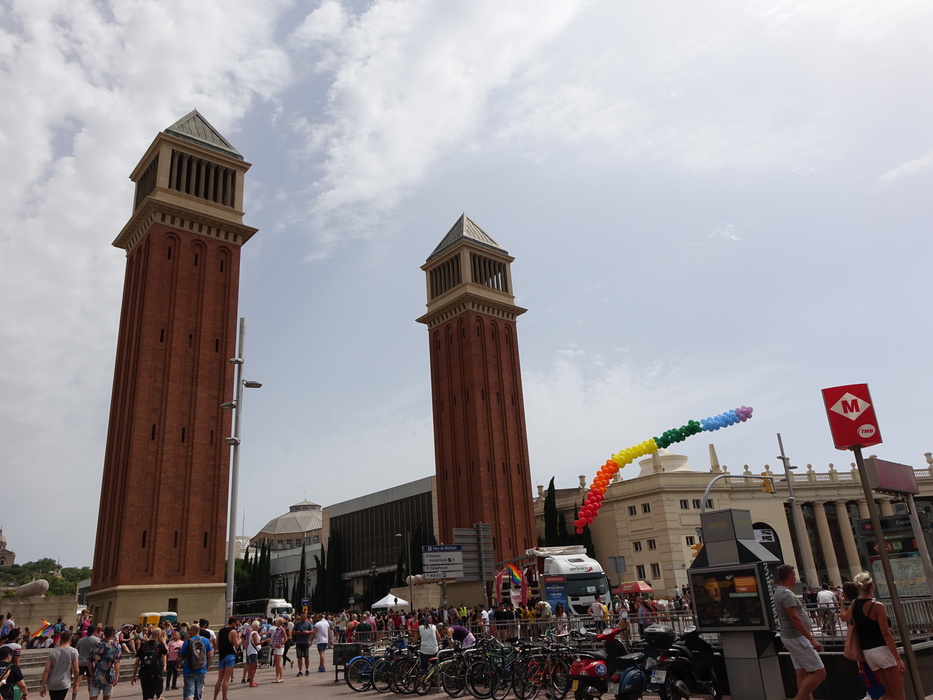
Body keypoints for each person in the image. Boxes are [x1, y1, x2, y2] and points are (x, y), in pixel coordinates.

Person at [851, 572, 905, 700]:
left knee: (889, 693)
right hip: (882, 650)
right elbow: (886, 633)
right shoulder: (877, 606)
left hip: (868, 653)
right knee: (899, 695)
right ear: (872, 585)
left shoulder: (854, 604)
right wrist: (898, 659)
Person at [774, 564, 825, 700]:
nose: (795, 579)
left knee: (801, 672)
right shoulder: (786, 594)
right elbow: (794, 617)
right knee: (820, 673)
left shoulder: (780, 592)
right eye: (794, 576)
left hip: (792, 637)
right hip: (796, 637)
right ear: (790, 577)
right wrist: (811, 639)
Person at [40, 629, 80, 700]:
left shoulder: (52, 652)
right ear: (70, 639)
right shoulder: (73, 651)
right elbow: (76, 669)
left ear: (61, 639)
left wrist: (42, 686)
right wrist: (76, 680)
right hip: (63, 682)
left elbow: (46, 670)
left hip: (52, 683)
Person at [179, 623, 212, 700]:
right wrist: (208, 665)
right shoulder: (206, 640)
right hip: (201, 669)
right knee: (198, 694)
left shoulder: (187, 642)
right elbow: (210, 655)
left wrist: (178, 664)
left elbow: (180, 657)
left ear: (191, 630)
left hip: (189, 670)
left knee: (189, 693)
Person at [132, 628, 167, 700]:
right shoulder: (159, 645)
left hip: (144, 673)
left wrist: (134, 676)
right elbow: (166, 653)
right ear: (159, 635)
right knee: (154, 694)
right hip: (155, 673)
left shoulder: (143, 645)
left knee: (146, 695)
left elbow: (137, 661)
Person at [89, 626, 122, 700]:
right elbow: (116, 662)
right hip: (109, 675)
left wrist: (91, 673)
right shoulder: (116, 646)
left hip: (96, 674)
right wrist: (117, 675)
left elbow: (90, 661)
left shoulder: (97, 645)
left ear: (104, 633)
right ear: (113, 634)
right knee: (107, 697)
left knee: (93, 696)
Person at [210, 618, 239, 700]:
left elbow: (217, 644)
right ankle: (224, 697)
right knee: (226, 679)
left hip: (222, 656)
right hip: (230, 655)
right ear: (233, 623)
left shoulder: (221, 631)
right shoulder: (233, 632)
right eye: (235, 624)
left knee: (220, 679)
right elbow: (236, 645)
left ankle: (215, 698)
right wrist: (239, 638)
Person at [75, 626, 100, 699]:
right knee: (90, 683)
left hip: (81, 662)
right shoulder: (97, 640)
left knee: (77, 682)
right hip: (91, 663)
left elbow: (77, 650)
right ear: (94, 631)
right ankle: (91, 697)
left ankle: (74, 697)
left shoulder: (81, 640)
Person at [269, 617, 287, 683]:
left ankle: (281, 677)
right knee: (276, 663)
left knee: (278, 663)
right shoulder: (277, 629)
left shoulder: (282, 629)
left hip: (280, 647)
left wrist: (281, 644)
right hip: (275, 647)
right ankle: (277, 677)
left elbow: (285, 638)